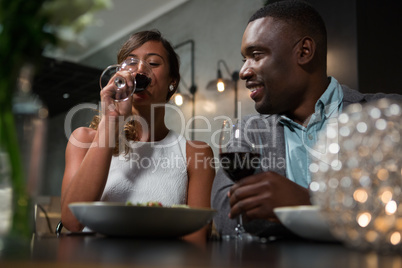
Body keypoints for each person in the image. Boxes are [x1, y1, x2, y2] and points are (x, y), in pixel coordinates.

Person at [211, 0, 402, 237]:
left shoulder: (389, 114)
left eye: (256, 55)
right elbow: (226, 215)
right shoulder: (248, 132)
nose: (244, 72)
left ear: (304, 52)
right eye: (244, 59)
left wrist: (306, 204)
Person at [61, 30, 215, 242]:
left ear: (172, 81)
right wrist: (112, 120)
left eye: (153, 63)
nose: (140, 69)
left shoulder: (196, 153)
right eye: (130, 62)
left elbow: (196, 240)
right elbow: (72, 221)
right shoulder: (85, 140)